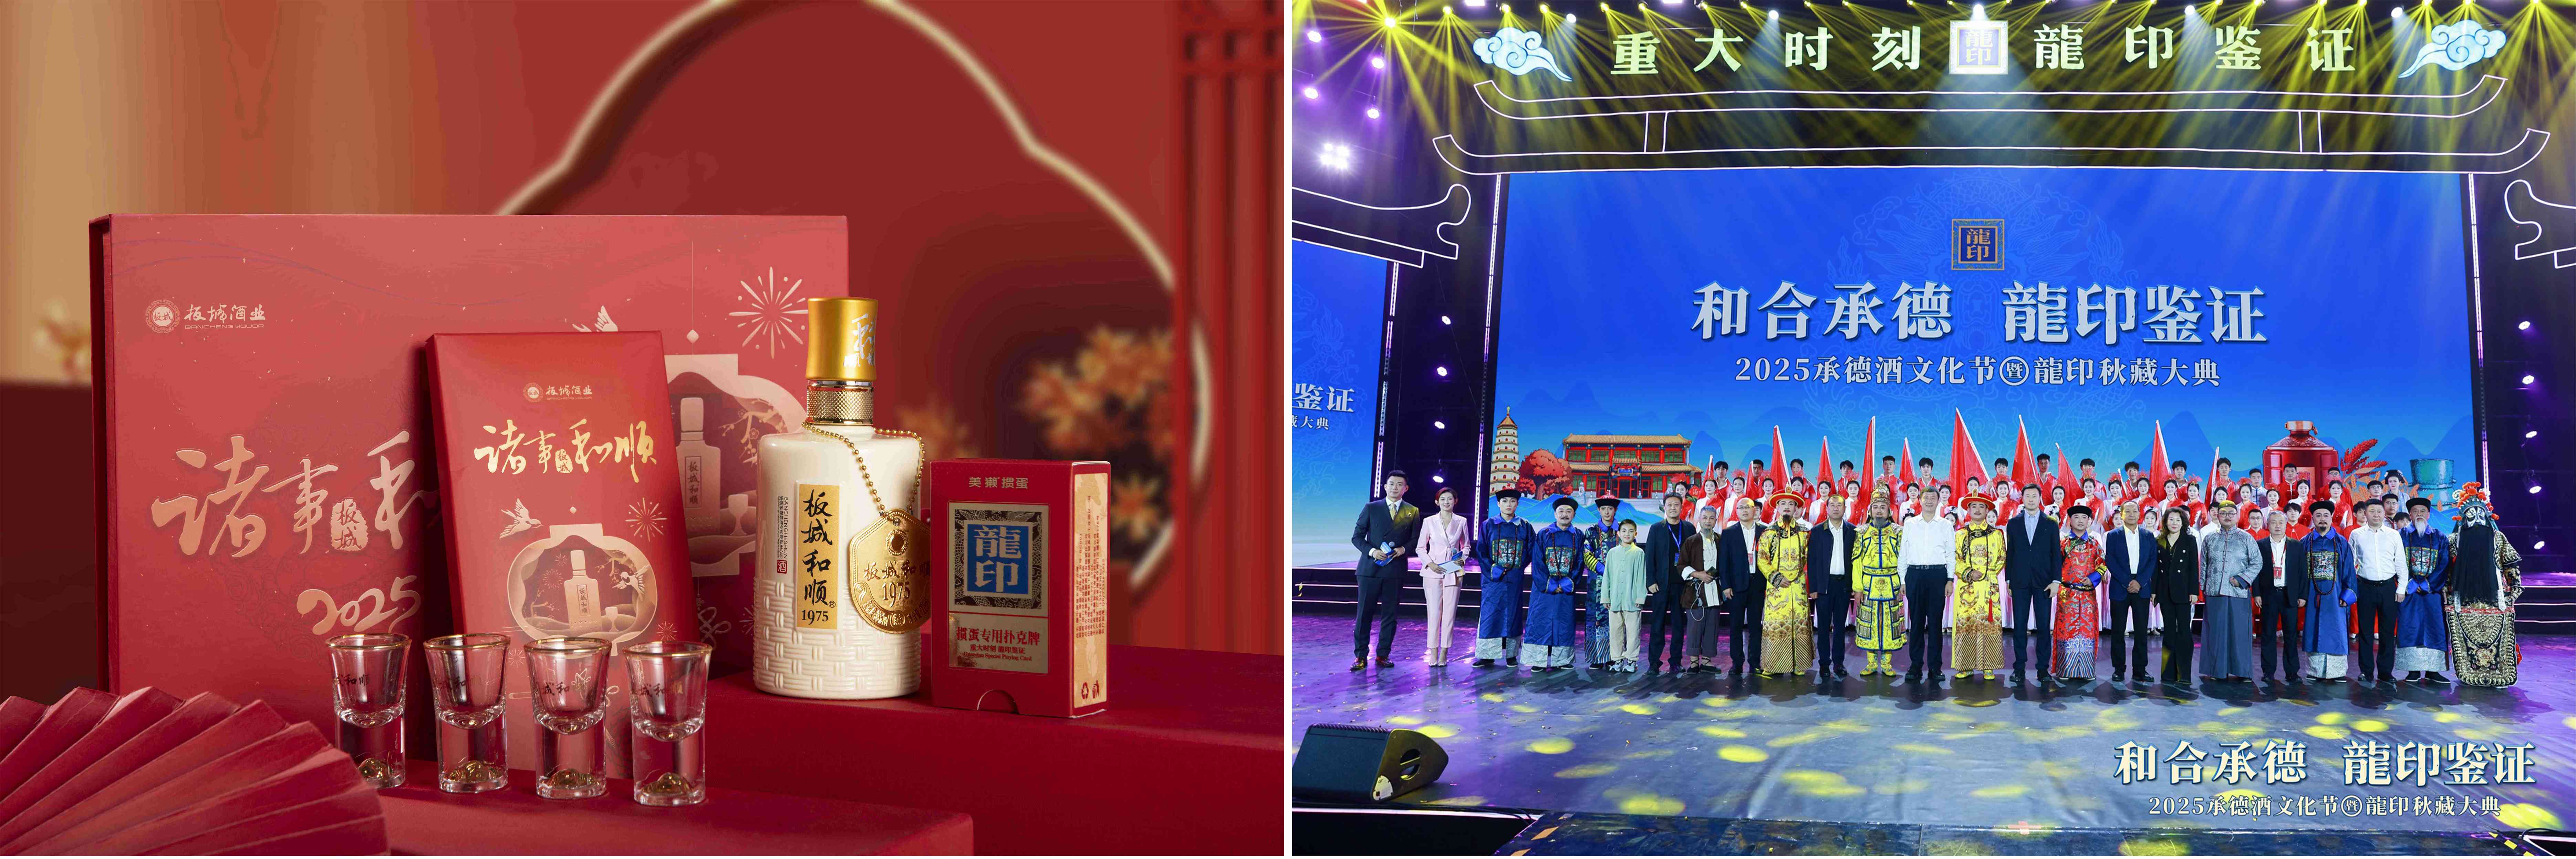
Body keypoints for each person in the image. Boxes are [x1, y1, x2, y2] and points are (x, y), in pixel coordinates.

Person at [2444, 484, 2524, 687]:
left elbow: (2511, 565)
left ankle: (2500, 676)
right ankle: (2471, 674)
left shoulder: (2498, 538)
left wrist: (2514, 592)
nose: (2477, 519)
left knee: (2499, 640)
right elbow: (2448, 570)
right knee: (2467, 641)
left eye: (2481, 514)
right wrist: (2447, 592)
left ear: (2488, 517)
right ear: (2463, 518)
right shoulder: (2454, 540)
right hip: (2464, 600)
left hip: (2496, 599)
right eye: (2472, 514)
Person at [1349, 471, 1422, 671]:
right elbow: (1357, 537)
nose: (1395, 488)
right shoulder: (1371, 508)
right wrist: (1373, 551)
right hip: (1370, 569)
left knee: (1390, 615)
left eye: (1399, 485)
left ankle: (1383, 655)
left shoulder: (1412, 511)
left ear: (1406, 489)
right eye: (1391, 484)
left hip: (1395, 570)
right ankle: (1360, 656)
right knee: (1364, 614)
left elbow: (1416, 540)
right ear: (1385, 487)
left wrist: (1403, 549)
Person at [1522, 497, 1590, 673]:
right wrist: (1550, 584)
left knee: (1564, 623)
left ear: (1574, 515)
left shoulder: (1579, 536)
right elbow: (1538, 562)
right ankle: (1538, 660)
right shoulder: (1544, 534)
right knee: (1540, 621)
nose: (1565, 515)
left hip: (1566, 589)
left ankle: (1562, 660)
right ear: (1555, 514)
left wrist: (1568, 582)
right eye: (1561, 511)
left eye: (1569, 512)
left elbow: (1580, 562)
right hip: (1544, 590)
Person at [1470, 488, 1536, 668]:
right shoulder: (1488, 525)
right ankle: (1487, 655)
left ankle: (1512, 655)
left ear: (1517, 504)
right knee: (1491, 614)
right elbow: (1481, 551)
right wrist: (1493, 569)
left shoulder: (1525, 526)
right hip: (1493, 579)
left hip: (1515, 578)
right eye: (1505, 501)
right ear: (1499, 504)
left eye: (1513, 501)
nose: (1509, 505)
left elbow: (1531, 551)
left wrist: (1518, 567)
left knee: (1514, 614)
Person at [2003, 485, 2061, 685]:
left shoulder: (2051, 523)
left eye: (2034, 496)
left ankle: (2043, 669)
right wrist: (2009, 580)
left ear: (2040, 498)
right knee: (2019, 626)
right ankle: (2019, 668)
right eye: (2027, 496)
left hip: (2044, 583)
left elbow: (2056, 555)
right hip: (2019, 582)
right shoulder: (2013, 523)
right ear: (2023, 499)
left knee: (2044, 627)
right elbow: (2011, 554)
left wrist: (2056, 581)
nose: (2030, 499)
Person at [2197, 498, 2260, 683]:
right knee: (2215, 634)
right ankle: (2217, 671)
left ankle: (2242, 671)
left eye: (2231, 514)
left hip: (2238, 593)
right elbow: (2204, 565)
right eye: (2223, 514)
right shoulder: (2210, 538)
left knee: (2239, 633)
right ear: (2217, 516)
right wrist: (2203, 588)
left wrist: (2242, 580)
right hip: (2215, 593)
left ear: (2238, 517)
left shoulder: (2246, 538)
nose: (2227, 517)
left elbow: (2257, 562)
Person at [2394, 497, 2453, 683]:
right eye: (2415, 512)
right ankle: (2412, 670)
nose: (2419, 514)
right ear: (2410, 515)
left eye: (2423, 511)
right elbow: (2395, 561)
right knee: (2410, 627)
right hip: (2409, 591)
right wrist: (2409, 583)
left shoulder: (2439, 537)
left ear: (2429, 515)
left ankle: (2433, 670)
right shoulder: (2401, 536)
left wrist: (2428, 584)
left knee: (2434, 627)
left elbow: (2444, 563)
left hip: (2431, 592)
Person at [1899, 490, 1955, 684]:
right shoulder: (1910, 524)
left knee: (1935, 624)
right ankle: (1915, 666)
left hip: (1938, 575)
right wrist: (1903, 580)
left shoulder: (1946, 525)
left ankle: (1935, 667)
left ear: (1939, 502)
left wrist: (1950, 579)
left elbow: (1951, 554)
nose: (1929, 502)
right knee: (1916, 624)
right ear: (1920, 501)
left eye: (1933, 499)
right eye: (1926, 498)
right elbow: (1904, 553)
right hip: (1915, 575)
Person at [2347, 498, 2406, 685]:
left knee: (2388, 632)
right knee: (2365, 632)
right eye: (2372, 512)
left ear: (2384, 514)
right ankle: (2366, 671)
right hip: (2365, 587)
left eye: (2380, 512)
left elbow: (2401, 563)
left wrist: (2402, 588)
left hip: (2389, 588)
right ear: (2365, 513)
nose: (2376, 515)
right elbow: (2351, 563)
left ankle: (2386, 672)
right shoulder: (2356, 535)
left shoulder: (2394, 535)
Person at [2298, 503, 2358, 682]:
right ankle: (2315, 671)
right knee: (2313, 629)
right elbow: (2299, 573)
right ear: (2313, 519)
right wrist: (2301, 595)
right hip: (2312, 596)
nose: (2322, 519)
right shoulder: (2305, 543)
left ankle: (2337, 672)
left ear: (2332, 519)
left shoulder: (2342, 543)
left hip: (2336, 597)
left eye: (2326, 515)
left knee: (2336, 630)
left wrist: (2347, 596)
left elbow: (2350, 571)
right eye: (2318, 516)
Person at [1758, 493, 1816, 677]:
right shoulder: (1769, 533)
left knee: (1799, 625)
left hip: (1798, 587)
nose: (1787, 507)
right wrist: (1775, 577)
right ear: (1777, 507)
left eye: (1791, 504)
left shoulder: (1804, 534)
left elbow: (1807, 558)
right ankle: (1773, 665)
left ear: (1796, 509)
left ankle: (1800, 664)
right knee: (1777, 625)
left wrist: (1800, 575)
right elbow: (1762, 560)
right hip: (1777, 589)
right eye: (1783, 504)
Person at [1952, 495, 2008, 681]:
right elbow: (1955, 559)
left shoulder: (1997, 534)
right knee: (1967, 623)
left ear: (1987, 511)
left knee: (1989, 624)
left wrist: (1987, 573)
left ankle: (1989, 666)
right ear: (1968, 511)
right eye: (1973, 506)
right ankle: (1966, 665)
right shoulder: (1961, 534)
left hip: (1989, 586)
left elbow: (2002, 557)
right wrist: (1969, 572)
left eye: (1981, 507)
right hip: (1967, 587)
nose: (1977, 510)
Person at [1414, 487, 1472, 665]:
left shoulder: (1462, 521)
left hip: (1453, 571)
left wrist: (1463, 558)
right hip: (1433, 571)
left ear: (1456, 501)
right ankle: (1433, 651)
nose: (1446, 502)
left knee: (1450, 613)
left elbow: (1467, 546)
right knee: (1434, 613)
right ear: (1437, 502)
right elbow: (1420, 548)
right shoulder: (1429, 521)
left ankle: (1445, 652)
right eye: (1443, 499)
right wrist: (1430, 563)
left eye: (1450, 499)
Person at [1641, 494, 1698, 673]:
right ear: (1664, 508)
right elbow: (1650, 556)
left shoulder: (1689, 528)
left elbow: (1695, 555)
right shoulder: (1657, 528)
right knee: (1657, 624)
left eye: (1676, 505)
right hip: (1661, 585)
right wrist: (1651, 581)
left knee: (1679, 625)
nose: (1673, 508)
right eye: (1670, 505)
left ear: (1682, 507)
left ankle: (1676, 661)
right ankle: (1654, 663)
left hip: (1682, 585)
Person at [1853, 492, 1906, 677]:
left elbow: (1904, 560)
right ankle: (1871, 663)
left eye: (1883, 508)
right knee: (1869, 622)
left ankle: (1887, 663)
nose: (1879, 511)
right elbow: (1857, 562)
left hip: (1892, 582)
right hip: (1869, 583)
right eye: (1875, 508)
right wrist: (1858, 588)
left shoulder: (1899, 532)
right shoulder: (1861, 532)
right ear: (1870, 511)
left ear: (1889, 511)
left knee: (1890, 623)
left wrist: (1903, 582)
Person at [2102, 501, 2156, 684]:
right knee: (2118, 631)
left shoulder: (2148, 536)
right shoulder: (2113, 536)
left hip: (2142, 587)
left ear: (2140, 514)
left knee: (2141, 632)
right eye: (2128, 511)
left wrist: (2139, 582)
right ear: (2122, 515)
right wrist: (2128, 582)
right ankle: (2119, 669)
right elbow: (2111, 561)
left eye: (2135, 511)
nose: (2132, 514)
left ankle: (2140, 670)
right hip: (2121, 587)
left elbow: (2152, 561)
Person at [2052, 505, 2105, 681]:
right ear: (2070, 521)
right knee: (2066, 631)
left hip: (2088, 596)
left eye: (2084, 518)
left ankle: (2087, 670)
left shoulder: (2095, 544)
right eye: (2076, 517)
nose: (2081, 521)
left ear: (2089, 521)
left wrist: (2094, 578)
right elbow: (2054, 565)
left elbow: (2103, 564)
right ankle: (2065, 669)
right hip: (2067, 595)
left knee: (2088, 632)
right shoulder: (2062, 543)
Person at [2252, 509, 2304, 683]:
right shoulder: (2260, 545)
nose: (2278, 526)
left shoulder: (2296, 546)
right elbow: (2255, 572)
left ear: (2286, 525)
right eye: (2274, 523)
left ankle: (2292, 672)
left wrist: (2302, 595)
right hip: (2269, 595)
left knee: (2291, 635)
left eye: (2281, 523)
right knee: (2268, 634)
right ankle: (2268, 671)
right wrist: (2257, 594)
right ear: (2268, 525)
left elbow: (2303, 572)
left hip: (2289, 594)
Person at [1717, 496, 1768, 676]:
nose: (1745, 511)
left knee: (1756, 627)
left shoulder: (1765, 531)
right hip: (1736, 587)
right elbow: (1724, 562)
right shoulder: (1729, 533)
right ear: (1737, 511)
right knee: (1736, 627)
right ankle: (1737, 663)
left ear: (1755, 510)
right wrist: (1726, 586)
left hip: (1758, 585)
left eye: (1748, 507)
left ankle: (1755, 663)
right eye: (1741, 508)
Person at [1675, 504, 1728, 673]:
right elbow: (1681, 565)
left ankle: (1707, 661)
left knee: (1713, 626)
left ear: (1716, 521)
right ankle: (1693, 662)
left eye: (1712, 519)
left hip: (1715, 590)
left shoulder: (1721, 541)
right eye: (1705, 518)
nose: (1708, 522)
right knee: (1695, 627)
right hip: (1696, 591)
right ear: (1699, 519)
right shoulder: (1691, 541)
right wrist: (1698, 574)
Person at [1809, 494, 1857, 678]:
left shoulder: (1852, 531)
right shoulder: (1818, 531)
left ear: (1845, 509)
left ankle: (1839, 663)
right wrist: (1814, 588)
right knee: (1823, 627)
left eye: (1840, 505)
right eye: (1833, 505)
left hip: (1844, 585)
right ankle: (1824, 664)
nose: (1836, 508)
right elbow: (1812, 561)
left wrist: (1855, 586)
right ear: (1827, 508)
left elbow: (1856, 560)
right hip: (1824, 586)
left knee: (1840, 627)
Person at [2152, 508, 2201, 686]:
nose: (2174, 523)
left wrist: (2194, 591)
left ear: (2183, 523)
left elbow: (2194, 567)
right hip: (2165, 593)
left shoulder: (2190, 540)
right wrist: (2154, 591)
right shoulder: (2159, 540)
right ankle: (2168, 673)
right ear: (2166, 522)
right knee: (2169, 632)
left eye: (2178, 520)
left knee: (2185, 632)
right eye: (2171, 520)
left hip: (2184, 592)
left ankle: (2184, 674)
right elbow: (2156, 568)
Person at [1599, 520, 1649, 673]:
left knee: (1633, 632)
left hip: (1632, 600)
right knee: (1615, 632)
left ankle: (1632, 661)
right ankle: (1618, 659)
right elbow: (1607, 576)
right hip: (1615, 599)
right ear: (1618, 534)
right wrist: (1606, 597)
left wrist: (1640, 598)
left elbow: (1642, 577)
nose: (1627, 534)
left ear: (1636, 534)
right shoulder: (1612, 553)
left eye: (1631, 531)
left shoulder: (1639, 553)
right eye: (1624, 531)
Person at [1580, 497, 1623, 671]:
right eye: (1604, 509)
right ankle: (1597, 657)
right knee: (1595, 619)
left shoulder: (1622, 530)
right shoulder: (1591, 531)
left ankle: (1614, 656)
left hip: (1618, 581)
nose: (1607, 512)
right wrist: (1603, 569)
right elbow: (1586, 554)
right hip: (1596, 583)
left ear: (1615, 511)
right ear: (1599, 511)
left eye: (1610, 509)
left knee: (1616, 618)